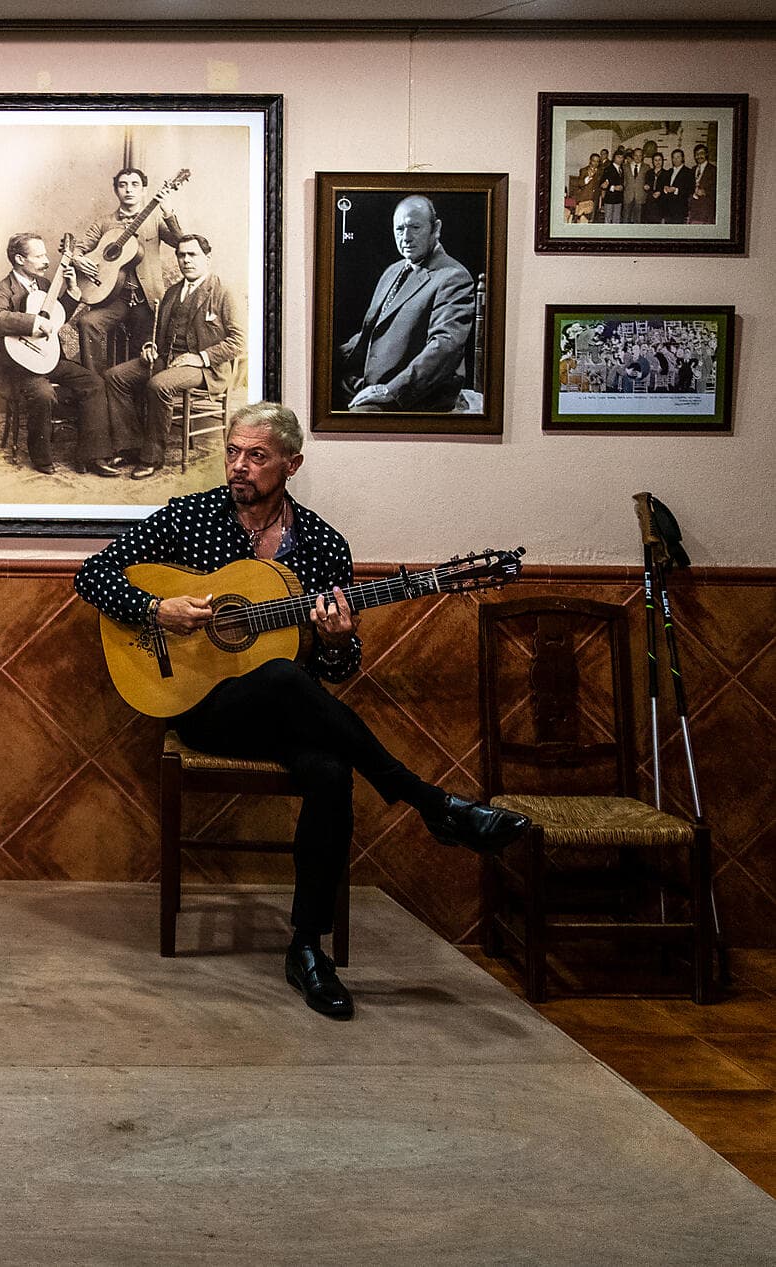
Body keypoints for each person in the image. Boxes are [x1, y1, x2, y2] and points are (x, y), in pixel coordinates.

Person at [72, 402, 530, 1019]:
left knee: (329, 769)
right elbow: (92, 575)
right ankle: (431, 802)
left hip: (289, 715)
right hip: (203, 706)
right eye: (233, 452)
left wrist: (339, 640)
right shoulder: (189, 516)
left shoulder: (321, 545)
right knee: (286, 675)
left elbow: (339, 670)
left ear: (292, 463)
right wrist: (161, 610)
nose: (239, 466)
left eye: (256, 456)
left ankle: (306, 947)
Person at [104, 233, 246, 479]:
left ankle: (152, 457)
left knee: (159, 385)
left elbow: (239, 341)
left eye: (193, 255)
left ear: (207, 258)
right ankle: (130, 445)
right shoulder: (172, 292)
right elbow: (156, 330)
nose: (186, 260)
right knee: (114, 376)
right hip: (167, 358)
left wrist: (200, 357)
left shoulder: (223, 292)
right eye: (181, 255)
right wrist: (149, 345)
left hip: (204, 368)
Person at [0, 232, 115, 475]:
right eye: (39, 256)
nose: (46, 260)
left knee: (94, 382)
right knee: (44, 394)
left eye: (46, 254)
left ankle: (93, 455)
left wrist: (73, 290)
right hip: (17, 366)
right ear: (20, 259)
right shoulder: (3, 289)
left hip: (46, 355)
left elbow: (56, 315)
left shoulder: (44, 285)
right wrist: (33, 323)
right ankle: (42, 458)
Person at [335, 195, 475, 413]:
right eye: (399, 229)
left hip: (414, 394)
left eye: (415, 227)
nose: (406, 237)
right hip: (368, 381)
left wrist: (391, 391)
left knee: (357, 416)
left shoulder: (453, 276)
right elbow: (369, 333)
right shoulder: (392, 271)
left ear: (435, 228)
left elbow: (444, 347)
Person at [71, 166, 185, 378]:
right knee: (87, 323)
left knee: (144, 348)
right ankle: (95, 385)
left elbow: (182, 244)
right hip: (114, 299)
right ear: (116, 190)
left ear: (144, 190)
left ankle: (135, 397)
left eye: (135, 185)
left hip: (147, 299)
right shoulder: (104, 223)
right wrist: (78, 259)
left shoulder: (155, 219)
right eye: (123, 185)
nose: (129, 190)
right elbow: (79, 247)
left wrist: (168, 211)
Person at [659, 149, 692, 225]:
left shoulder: (688, 172)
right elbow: (663, 186)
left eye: (678, 157)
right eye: (673, 157)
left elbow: (690, 189)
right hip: (668, 208)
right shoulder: (669, 171)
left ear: (683, 158)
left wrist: (676, 190)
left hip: (679, 208)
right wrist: (665, 189)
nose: (675, 159)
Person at [689, 143, 717, 225]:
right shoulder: (693, 169)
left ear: (706, 154)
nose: (699, 156)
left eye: (701, 153)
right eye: (697, 154)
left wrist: (705, 192)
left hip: (706, 209)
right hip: (693, 209)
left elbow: (718, 189)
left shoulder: (713, 170)